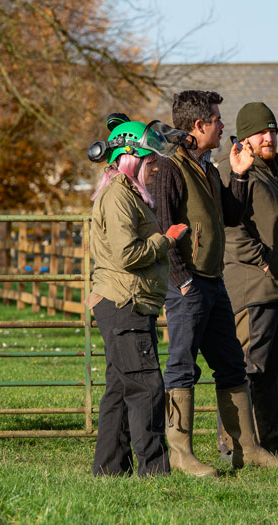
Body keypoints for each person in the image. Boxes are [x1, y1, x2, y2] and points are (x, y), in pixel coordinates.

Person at [149, 90, 278, 476]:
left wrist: (240, 174)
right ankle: (181, 454)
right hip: (189, 285)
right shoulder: (169, 167)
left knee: (231, 365)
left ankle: (245, 448)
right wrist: (181, 282)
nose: (222, 125)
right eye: (216, 119)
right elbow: (164, 227)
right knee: (182, 366)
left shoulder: (208, 167)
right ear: (199, 125)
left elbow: (230, 215)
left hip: (213, 283)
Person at [88, 120, 189, 477]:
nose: (156, 165)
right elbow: (128, 254)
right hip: (123, 303)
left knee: (119, 388)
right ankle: (155, 472)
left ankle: (110, 470)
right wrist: (168, 239)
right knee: (146, 385)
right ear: (130, 157)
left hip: (125, 302)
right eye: (150, 159)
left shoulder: (127, 194)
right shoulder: (119, 196)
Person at [216, 102, 278, 458]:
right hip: (255, 284)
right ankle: (235, 444)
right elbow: (232, 226)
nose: (268, 137)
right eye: (260, 132)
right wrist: (263, 261)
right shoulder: (234, 170)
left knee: (271, 368)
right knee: (249, 366)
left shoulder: (272, 170)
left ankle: (271, 440)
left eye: (272, 130)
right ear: (243, 137)